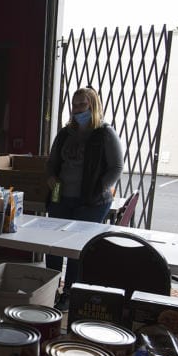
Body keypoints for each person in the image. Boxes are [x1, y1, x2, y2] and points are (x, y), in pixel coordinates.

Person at [45, 87, 124, 311]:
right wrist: (50, 177)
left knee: (76, 248)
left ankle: (70, 292)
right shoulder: (65, 132)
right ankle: (50, 288)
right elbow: (52, 162)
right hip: (62, 195)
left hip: (91, 201)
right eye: (75, 104)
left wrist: (98, 189)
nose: (77, 109)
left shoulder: (104, 133)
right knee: (52, 245)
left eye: (83, 104)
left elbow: (116, 167)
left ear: (93, 106)